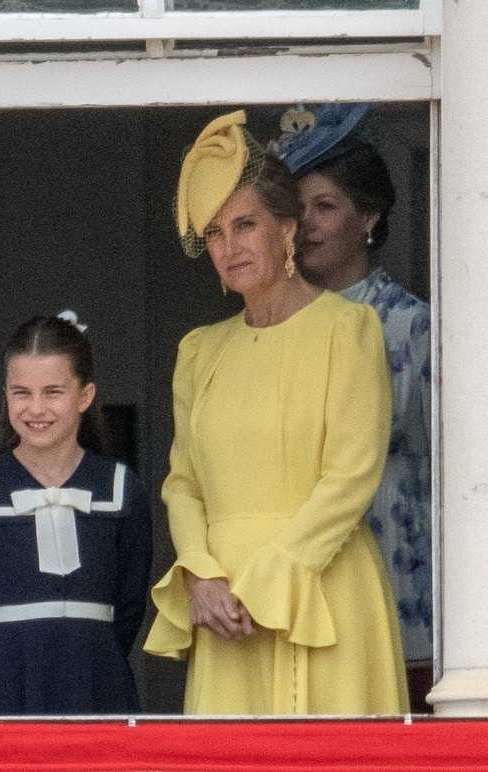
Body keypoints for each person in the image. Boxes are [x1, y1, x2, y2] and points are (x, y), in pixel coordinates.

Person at [143, 109, 409, 715]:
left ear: (287, 229)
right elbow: (183, 484)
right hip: (225, 609)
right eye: (214, 233)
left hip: (321, 589)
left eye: (245, 225)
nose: (229, 247)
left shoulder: (350, 329)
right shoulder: (199, 351)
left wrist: (276, 576)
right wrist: (200, 575)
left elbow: (352, 475)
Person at [277, 103, 433, 697]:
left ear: (368, 216)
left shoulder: (416, 331)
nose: (307, 225)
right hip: (297, 598)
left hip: (400, 591)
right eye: (297, 210)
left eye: (325, 206)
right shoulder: (272, 330)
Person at [0, 312, 152, 715]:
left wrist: (89, 650)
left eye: (52, 392)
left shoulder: (120, 487)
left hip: (96, 684)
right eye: (21, 392)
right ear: (6, 394)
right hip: (7, 687)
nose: (36, 408)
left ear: (85, 395)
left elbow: (129, 607)